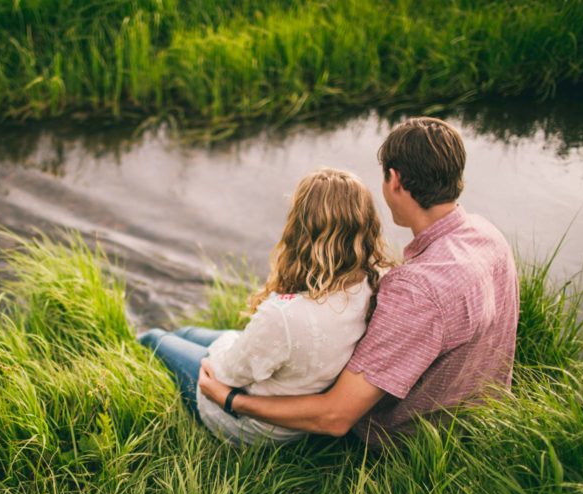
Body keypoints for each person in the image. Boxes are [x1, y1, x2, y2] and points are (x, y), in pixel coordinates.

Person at [198, 117, 520, 446]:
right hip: (478, 421)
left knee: (168, 342)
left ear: (394, 180)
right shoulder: (488, 237)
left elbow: (334, 417)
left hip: (411, 442)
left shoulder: (416, 290)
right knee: (208, 340)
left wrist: (230, 400)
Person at [139, 168, 393, 444]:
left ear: (300, 230)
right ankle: (178, 337)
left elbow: (225, 374)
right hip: (293, 391)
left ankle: (132, 345)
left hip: (251, 422)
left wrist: (224, 349)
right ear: (366, 225)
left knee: (155, 338)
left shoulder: (284, 314)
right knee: (187, 333)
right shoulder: (377, 282)